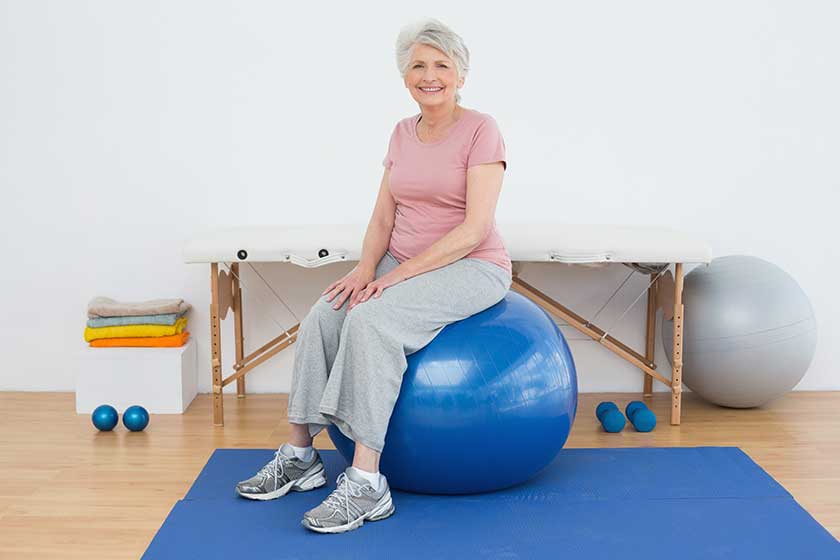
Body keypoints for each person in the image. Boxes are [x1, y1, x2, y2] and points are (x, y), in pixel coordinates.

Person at [234, 17, 513, 534]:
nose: (429, 76)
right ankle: (300, 455)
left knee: (371, 321)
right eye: (418, 66)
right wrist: (365, 270)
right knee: (327, 312)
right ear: (405, 76)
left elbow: (475, 229)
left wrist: (396, 277)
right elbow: (383, 217)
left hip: (472, 266)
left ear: (461, 74)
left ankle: (366, 482)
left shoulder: (481, 129)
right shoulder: (402, 133)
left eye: (441, 65)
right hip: (398, 263)